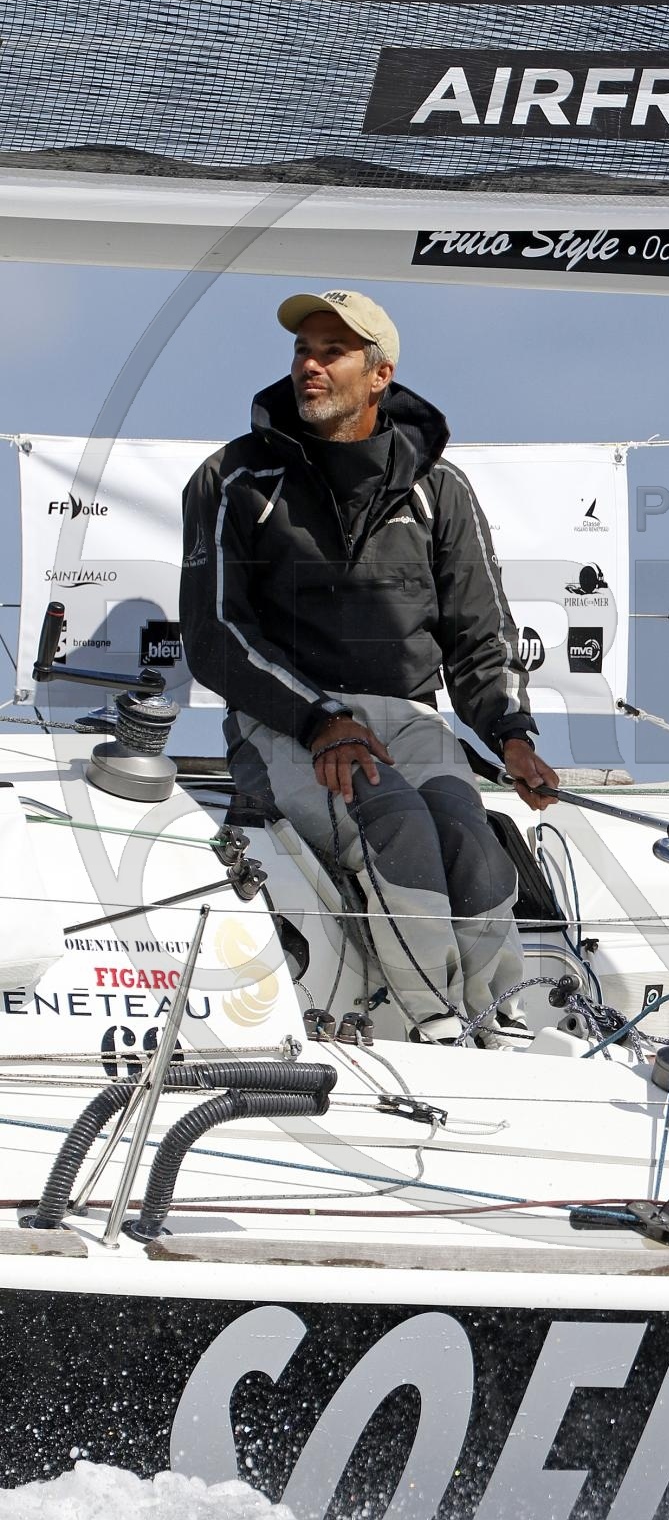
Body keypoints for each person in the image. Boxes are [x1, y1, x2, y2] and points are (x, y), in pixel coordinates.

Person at [179, 286, 559, 1045]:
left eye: (332, 352)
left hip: (411, 720)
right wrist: (321, 720)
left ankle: (499, 1020)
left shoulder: (440, 488)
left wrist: (512, 734)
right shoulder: (234, 479)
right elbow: (217, 635)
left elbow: (480, 635)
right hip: (285, 721)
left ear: (380, 375)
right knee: (398, 824)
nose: (309, 366)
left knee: (473, 841)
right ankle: (438, 1025)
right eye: (302, 350)